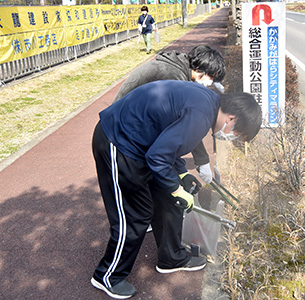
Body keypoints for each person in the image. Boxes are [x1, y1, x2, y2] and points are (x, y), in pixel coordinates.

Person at [90, 80, 262, 299]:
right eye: (236, 135)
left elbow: (169, 142)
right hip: (118, 141)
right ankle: (107, 275)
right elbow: (158, 157)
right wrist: (175, 187)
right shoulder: (200, 116)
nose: (231, 138)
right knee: (135, 215)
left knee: (168, 201)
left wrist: (181, 174)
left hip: (141, 145)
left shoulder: (208, 104)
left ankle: (172, 258)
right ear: (231, 119)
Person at [113, 45, 226, 185]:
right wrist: (202, 160)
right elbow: (187, 125)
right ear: (198, 67)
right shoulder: (173, 75)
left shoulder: (178, 69)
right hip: (122, 130)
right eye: (210, 77)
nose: (209, 83)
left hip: (135, 126)